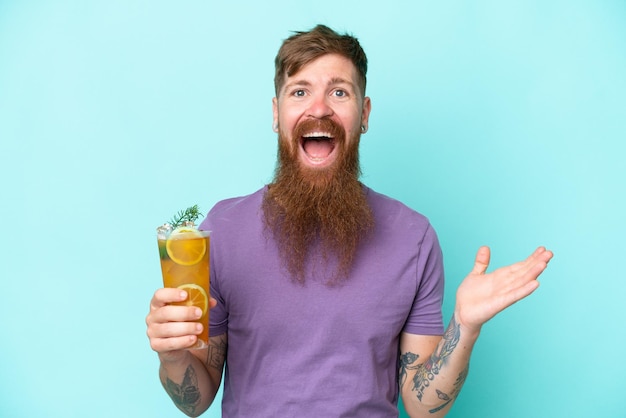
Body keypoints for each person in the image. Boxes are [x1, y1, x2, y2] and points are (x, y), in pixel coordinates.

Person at [146, 24, 553, 417]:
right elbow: (194, 402)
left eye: (339, 92)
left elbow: (422, 407)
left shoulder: (414, 238)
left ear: (365, 114)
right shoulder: (222, 229)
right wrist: (173, 354)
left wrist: (463, 328)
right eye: (299, 91)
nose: (319, 108)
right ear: (276, 114)